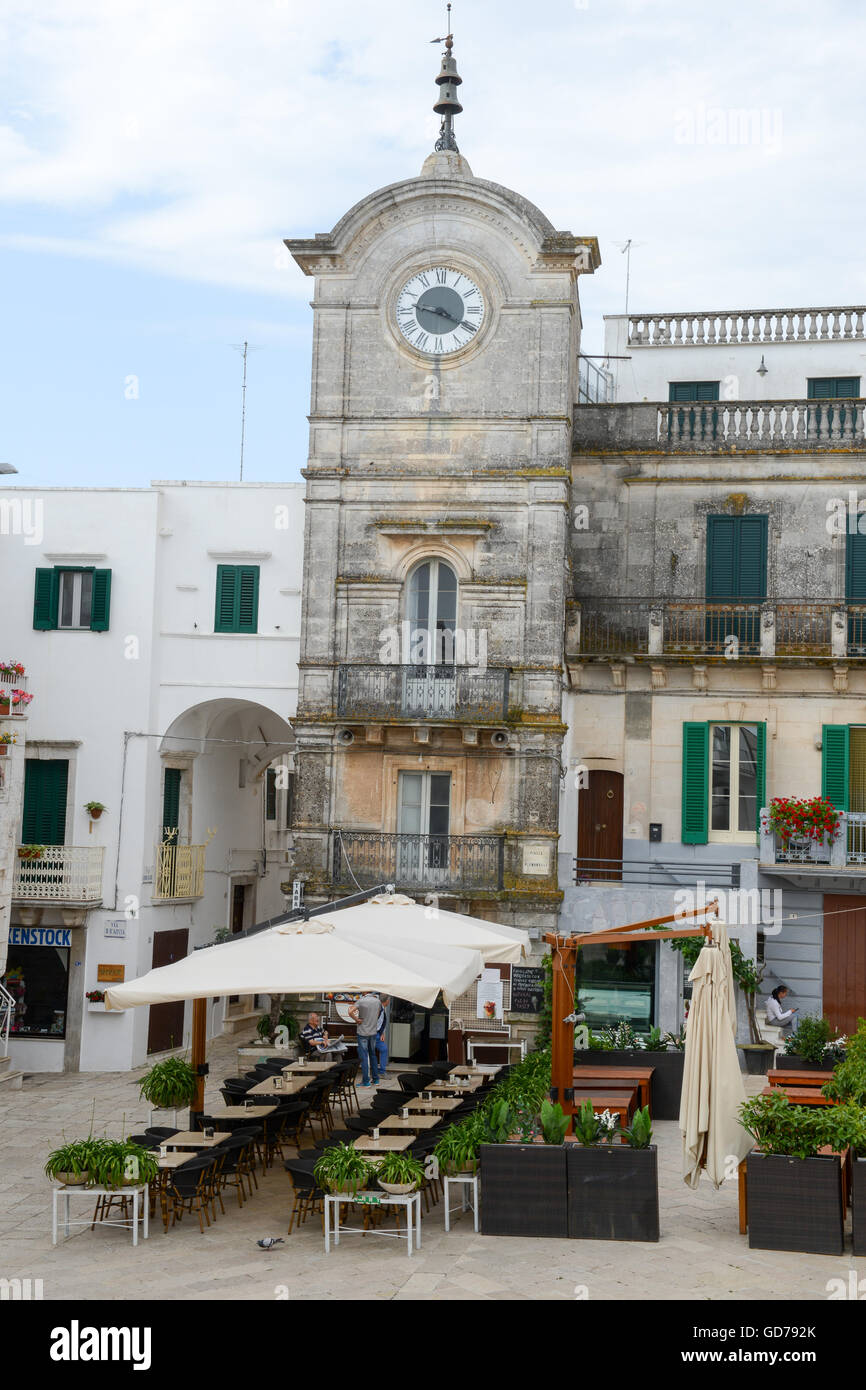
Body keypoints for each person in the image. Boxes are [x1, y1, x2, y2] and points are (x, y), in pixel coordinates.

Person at [349, 991, 382, 1087]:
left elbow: (350, 1011)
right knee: (373, 1055)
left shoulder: (361, 1001)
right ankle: (376, 1080)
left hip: (363, 1031)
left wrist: (357, 1020)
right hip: (373, 1032)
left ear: (364, 991)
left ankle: (366, 1081)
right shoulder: (377, 1001)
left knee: (364, 1057)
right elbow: (379, 1013)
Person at [374, 995, 390, 1077]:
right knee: (382, 1049)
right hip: (373, 1033)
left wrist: (382, 1033)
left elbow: (381, 1022)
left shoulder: (382, 1009)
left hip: (377, 1033)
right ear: (386, 1001)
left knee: (384, 1049)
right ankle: (381, 1071)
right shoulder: (379, 1009)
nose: (389, 1001)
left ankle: (381, 1071)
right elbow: (374, 1021)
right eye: (389, 1000)